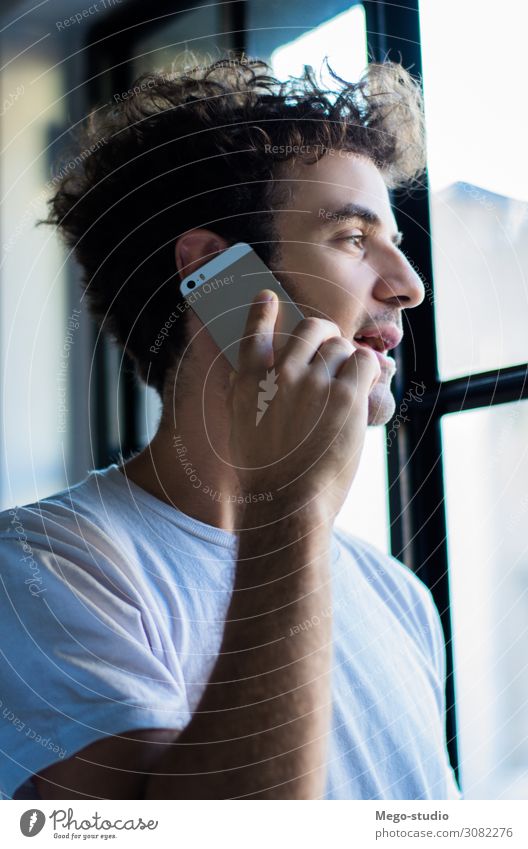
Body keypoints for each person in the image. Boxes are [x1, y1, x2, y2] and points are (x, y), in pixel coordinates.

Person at [0, 54, 462, 800]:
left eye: (396, 243)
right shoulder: (40, 573)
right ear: (218, 277)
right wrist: (291, 506)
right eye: (352, 237)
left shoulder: (394, 593)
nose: (408, 286)